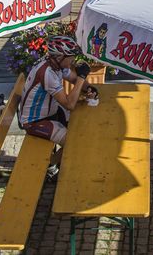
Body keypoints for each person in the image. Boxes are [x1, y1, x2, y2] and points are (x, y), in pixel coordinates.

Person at [17, 34, 98, 178]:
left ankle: (60, 163)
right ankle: (49, 166)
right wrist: (82, 78)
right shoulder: (48, 73)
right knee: (73, 142)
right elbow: (70, 104)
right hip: (34, 122)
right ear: (60, 57)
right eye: (70, 57)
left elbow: (73, 78)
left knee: (81, 127)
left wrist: (89, 88)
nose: (73, 60)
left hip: (50, 112)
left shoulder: (55, 64)